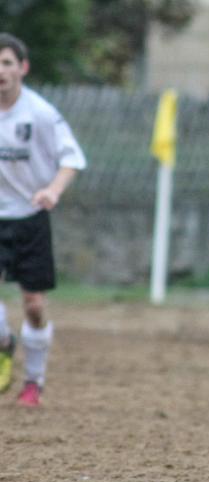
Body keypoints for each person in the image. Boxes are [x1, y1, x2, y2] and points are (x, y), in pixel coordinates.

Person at [0, 33, 86, 407]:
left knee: (33, 305)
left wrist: (53, 190)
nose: (1, 71)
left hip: (30, 218)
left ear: (23, 68)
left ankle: (33, 381)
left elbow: (72, 160)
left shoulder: (41, 114)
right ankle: (4, 341)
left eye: (6, 62)